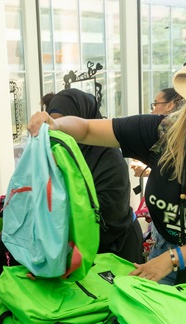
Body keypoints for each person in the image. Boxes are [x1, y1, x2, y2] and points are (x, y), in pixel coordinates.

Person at [28, 40, 186, 303]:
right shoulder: (161, 133)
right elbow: (88, 129)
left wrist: (174, 259)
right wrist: (55, 123)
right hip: (167, 257)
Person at [46, 88, 144, 263]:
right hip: (78, 246)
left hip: (116, 246)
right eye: (55, 126)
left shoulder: (108, 156)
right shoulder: (61, 153)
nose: (61, 133)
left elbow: (110, 212)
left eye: (65, 125)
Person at [132, 88, 185, 179]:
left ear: (170, 105)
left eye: (155, 104)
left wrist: (149, 170)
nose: (152, 110)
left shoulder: (173, 137)